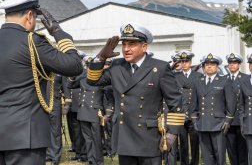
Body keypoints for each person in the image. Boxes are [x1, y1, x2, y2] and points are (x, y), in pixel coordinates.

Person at [0, 0, 83, 165]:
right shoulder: (32, 42)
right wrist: (59, 33)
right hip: (25, 138)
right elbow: (74, 65)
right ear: (29, 16)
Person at [87, 23, 185, 165]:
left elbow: (175, 102)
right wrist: (100, 57)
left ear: (144, 47)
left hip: (149, 138)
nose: (126, 49)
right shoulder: (117, 66)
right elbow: (92, 80)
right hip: (125, 136)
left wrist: (172, 134)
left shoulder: (159, 68)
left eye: (132, 44)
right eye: (124, 44)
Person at [191, 53, 236, 165]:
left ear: (217, 67)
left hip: (218, 124)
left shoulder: (224, 81)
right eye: (207, 64)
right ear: (203, 67)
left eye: (212, 64)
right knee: (206, 157)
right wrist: (194, 120)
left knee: (219, 155)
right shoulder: (197, 82)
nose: (209, 66)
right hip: (202, 124)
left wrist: (228, 121)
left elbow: (231, 103)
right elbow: (193, 104)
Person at [175, 51, 202, 165]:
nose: (184, 64)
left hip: (193, 113)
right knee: (183, 142)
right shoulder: (175, 76)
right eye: (182, 61)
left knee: (195, 142)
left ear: (190, 62)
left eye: (186, 61)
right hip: (181, 113)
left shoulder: (198, 76)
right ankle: (184, 162)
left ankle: (194, 162)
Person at [225, 53, 248, 165]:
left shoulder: (245, 78)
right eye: (230, 63)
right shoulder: (223, 79)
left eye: (234, 63)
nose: (232, 65)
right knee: (231, 151)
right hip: (228, 121)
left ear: (239, 65)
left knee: (243, 151)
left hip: (241, 120)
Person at [46, 75, 64, 165]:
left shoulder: (59, 71)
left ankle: (56, 156)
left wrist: (67, 102)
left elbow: (66, 86)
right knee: (45, 130)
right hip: (43, 103)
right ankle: (48, 154)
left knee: (55, 131)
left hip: (55, 103)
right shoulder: (42, 70)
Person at [239, 53, 252, 164]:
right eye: (251, 64)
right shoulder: (244, 81)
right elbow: (242, 104)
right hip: (249, 124)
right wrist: (242, 122)